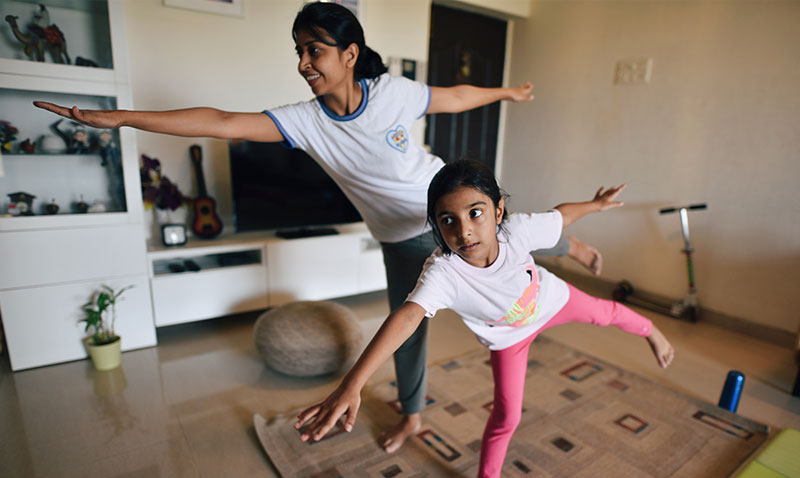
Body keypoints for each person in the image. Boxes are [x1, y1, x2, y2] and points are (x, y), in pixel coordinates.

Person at [34, 1, 606, 453]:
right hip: (402, 237)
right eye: (299, 53)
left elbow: (454, 96)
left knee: (520, 253)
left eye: (315, 50)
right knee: (407, 330)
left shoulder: (394, 95)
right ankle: (412, 416)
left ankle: (571, 241)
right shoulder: (303, 122)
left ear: (350, 53)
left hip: (447, 209)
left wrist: (505, 91)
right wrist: (122, 117)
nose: (304, 63)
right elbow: (224, 122)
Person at [294, 159, 675, 478]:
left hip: (551, 299)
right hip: (508, 339)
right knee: (507, 415)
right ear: (437, 226)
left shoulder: (518, 230)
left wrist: (595, 205)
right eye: (448, 220)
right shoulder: (442, 272)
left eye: (475, 213)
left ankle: (652, 331)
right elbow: (407, 318)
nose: (464, 231)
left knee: (606, 313)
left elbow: (562, 216)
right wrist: (353, 383)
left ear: (498, 210)